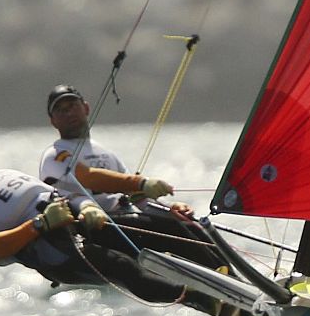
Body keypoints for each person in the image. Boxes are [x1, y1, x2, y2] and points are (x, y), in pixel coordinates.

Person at [0, 147, 252, 316]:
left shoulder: (5, 172)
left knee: (167, 227)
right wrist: (39, 224)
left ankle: (236, 285)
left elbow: (59, 192)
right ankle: (215, 306)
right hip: (53, 248)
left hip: (77, 216)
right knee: (125, 268)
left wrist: (85, 206)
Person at [40, 85, 224, 276]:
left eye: (72, 105)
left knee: (188, 223)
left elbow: (138, 198)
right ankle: (216, 275)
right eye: (60, 110)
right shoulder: (55, 154)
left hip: (124, 221)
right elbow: (88, 176)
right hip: (92, 228)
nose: (68, 113)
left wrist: (169, 209)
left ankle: (229, 274)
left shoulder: (105, 153)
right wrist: (141, 183)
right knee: (169, 228)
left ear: (86, 108)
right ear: (53, 121)